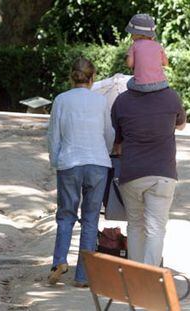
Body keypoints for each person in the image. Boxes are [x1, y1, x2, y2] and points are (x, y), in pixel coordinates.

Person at [47, 57, 114, 287]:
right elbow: (108, 133)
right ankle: (83, 275)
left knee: (66, 215)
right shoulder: (100, 101)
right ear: (92, 77)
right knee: (90, 219)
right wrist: (103, 154)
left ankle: (59, 262)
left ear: (71, 76)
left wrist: (56, 161)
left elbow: (54, 135)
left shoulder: (61, 100)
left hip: (70, 163)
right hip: (97, 163)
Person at [111, 82, 186, 266]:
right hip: (163, 174)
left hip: (132, 173)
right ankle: (150, 277)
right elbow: (182, 124)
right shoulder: (171, 97)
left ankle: (135, 276)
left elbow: (117, 140)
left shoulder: (122, 101)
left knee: (135, 226)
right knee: (156, 229)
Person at [125, 13, 169, 93]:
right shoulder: (158, 45)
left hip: (142, 86)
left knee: (129, 83)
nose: (131, 36)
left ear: (136, 34)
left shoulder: (134, 46)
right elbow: (166, 63)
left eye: (132, 33)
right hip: (162, 84)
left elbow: (129, 64)